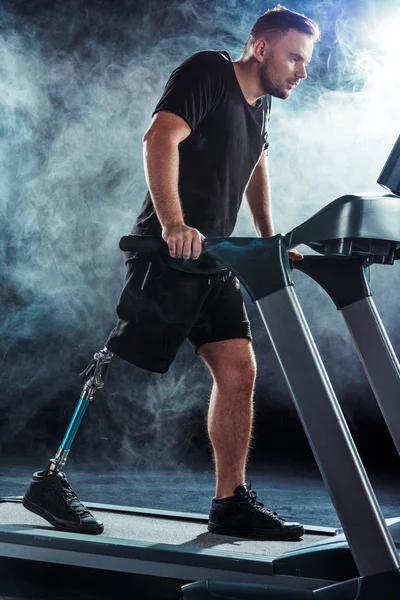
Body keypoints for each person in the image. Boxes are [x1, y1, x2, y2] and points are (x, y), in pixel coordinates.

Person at [23, 5, 320, 539]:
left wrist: (270, 237)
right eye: (295, 57)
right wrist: (173, 223)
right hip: (170, 251)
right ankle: (50, 479)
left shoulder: (260, 105)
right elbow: (159, 137)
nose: (302, 70)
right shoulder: (208, 71)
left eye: (305, 61)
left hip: (216, 257)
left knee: (238, 371)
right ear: (260, 48)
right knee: (119, 360)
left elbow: (255, 165)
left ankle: (229, 501)